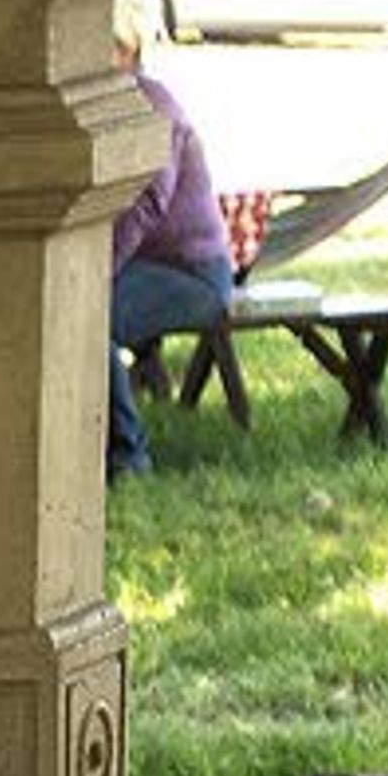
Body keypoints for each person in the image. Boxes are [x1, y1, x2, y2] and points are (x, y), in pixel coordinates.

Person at [105, 64, 231, 480]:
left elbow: (146, 202)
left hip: (192, 273)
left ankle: (127, 459)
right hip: (143, 264)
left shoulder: (154, 107)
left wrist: (95, 273)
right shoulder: (105, 105)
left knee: (85, 323)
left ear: (123, 51)